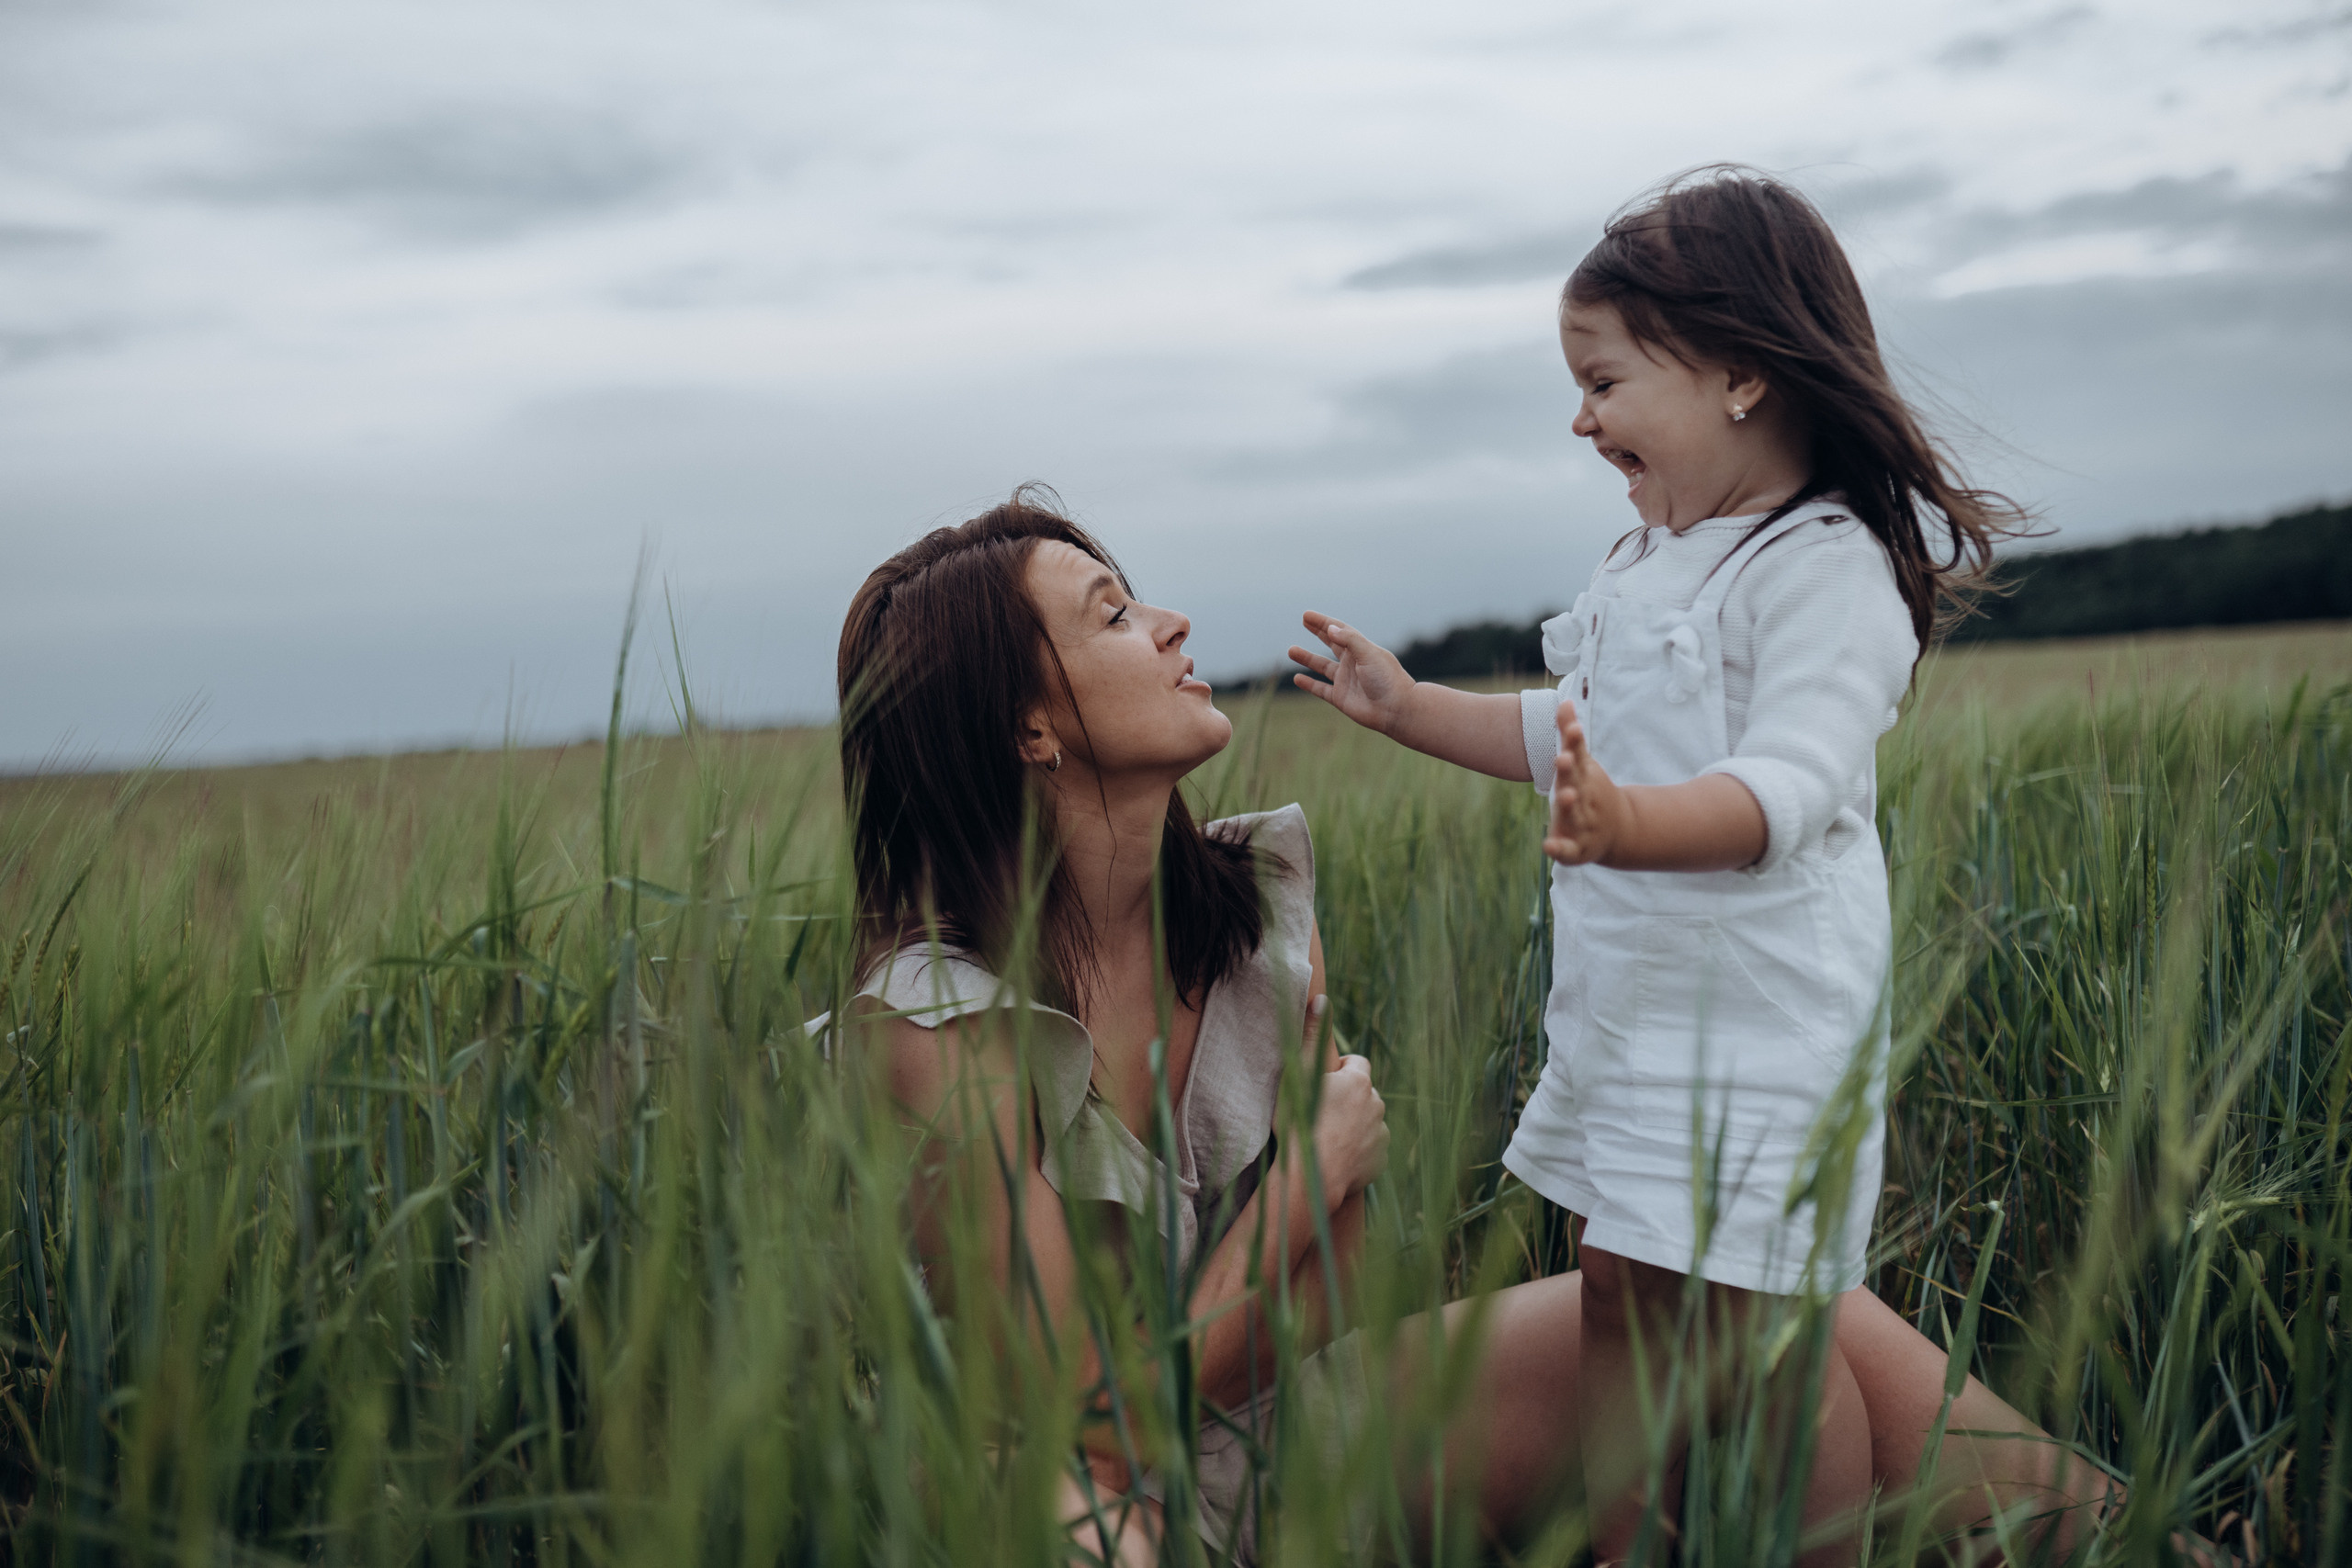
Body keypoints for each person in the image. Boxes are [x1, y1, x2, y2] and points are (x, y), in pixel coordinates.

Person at [837, 490, 2120, 1566]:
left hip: (1289, 1421)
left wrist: (1294, 1240)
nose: (1170, 624)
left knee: (1757, 1308)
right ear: (1028, 725)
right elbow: (1094, 1427)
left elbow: (1325, 1312)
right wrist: (1304, 1181)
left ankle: (2153, 1538)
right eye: (1114, 614)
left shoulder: (1255, 908)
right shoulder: (933, 1023)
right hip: (1055, 1494)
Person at [1287, 167, 2034, 1563]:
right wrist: (1412, 709)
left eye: (1605, 381)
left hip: (1761, 1038)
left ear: (1742, 375)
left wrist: (1627, 824)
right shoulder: (1649, 558)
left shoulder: (1821, 568)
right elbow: (1566, 731)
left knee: (1763, 1340)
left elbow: (1789, 787)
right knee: (1621, 1293)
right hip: (1633, 1026)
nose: (1581, 419)